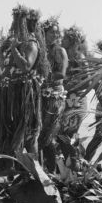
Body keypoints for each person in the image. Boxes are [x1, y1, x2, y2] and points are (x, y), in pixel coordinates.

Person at [0, 5, 49, 155]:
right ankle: (9, 165)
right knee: (4, 130)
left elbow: (26, 66)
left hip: (24, 93)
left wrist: (14, 49)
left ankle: (34, 169)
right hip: (8, 91)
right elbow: (4, 65)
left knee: (26, 132)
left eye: (19, 22)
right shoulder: (14, 42)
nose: (15, 25)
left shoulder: (31, 43)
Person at [40, 17, 68, 171]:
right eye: (52, 32)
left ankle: (52, 171)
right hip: (40, 97)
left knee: (49, 135)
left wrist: (43, 78)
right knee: (38, 133)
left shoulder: (60, 51)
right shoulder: (40, 50)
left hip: (55, 98)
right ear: (44, 33)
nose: (55, 35)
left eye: (57, 33)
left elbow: (61, 75)